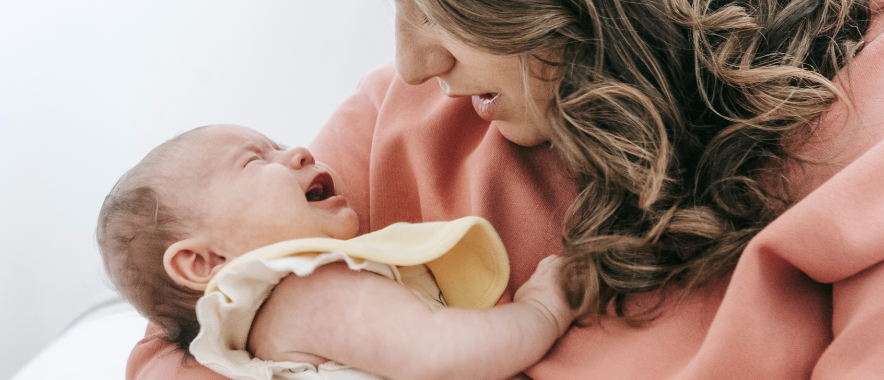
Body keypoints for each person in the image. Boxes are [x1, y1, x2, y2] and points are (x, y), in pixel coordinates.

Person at [128, 0, 884, 378]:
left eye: (437, 6)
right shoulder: (408, 114)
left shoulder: (857, 114)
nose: (414, 63)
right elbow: (180, 328)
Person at [98, 124, 573, 380]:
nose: (301, 151)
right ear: (202, 263)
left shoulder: (270, 323)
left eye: (280, 144)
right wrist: (543, 311)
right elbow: (440, 353)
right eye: (255, 160)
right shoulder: (308, 289)